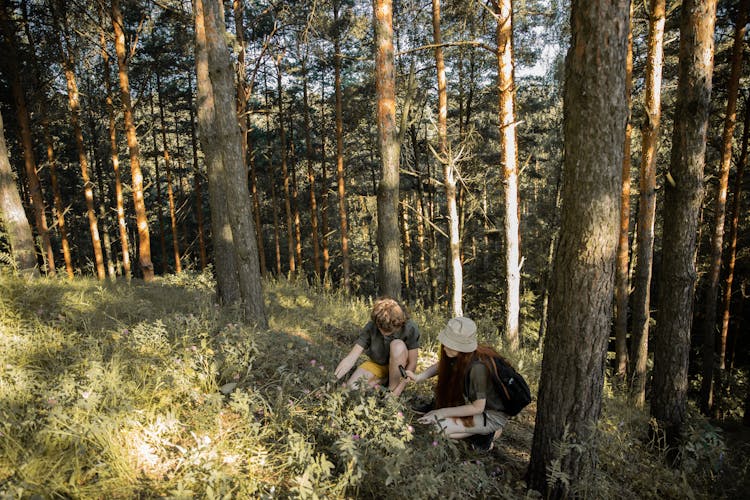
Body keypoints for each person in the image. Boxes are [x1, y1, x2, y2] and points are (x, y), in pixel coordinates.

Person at [406, 317, 508, 451]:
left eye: (452, 344)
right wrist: (419, 377)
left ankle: (489, 433)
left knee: (437, 428)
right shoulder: (459, 354)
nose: (446, 346)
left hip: (490, 415)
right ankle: (479, 430)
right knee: (438, 423)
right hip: (475, 406)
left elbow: (478, 407)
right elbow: (441, 366)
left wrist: (441, 412)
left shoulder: (478, 368)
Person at [334, 297, 420, 397]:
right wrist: (331, 381)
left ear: (400, 324)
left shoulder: (410, 328)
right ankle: (382, 380)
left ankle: (390, 390)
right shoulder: (371, 327)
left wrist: (398, 391)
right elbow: (351, 358)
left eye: (389, 331)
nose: (384, 334)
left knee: (397, 345)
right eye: (381, 329)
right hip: (377, 365)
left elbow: (412, 364)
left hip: (400, 368)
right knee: (351, 388)